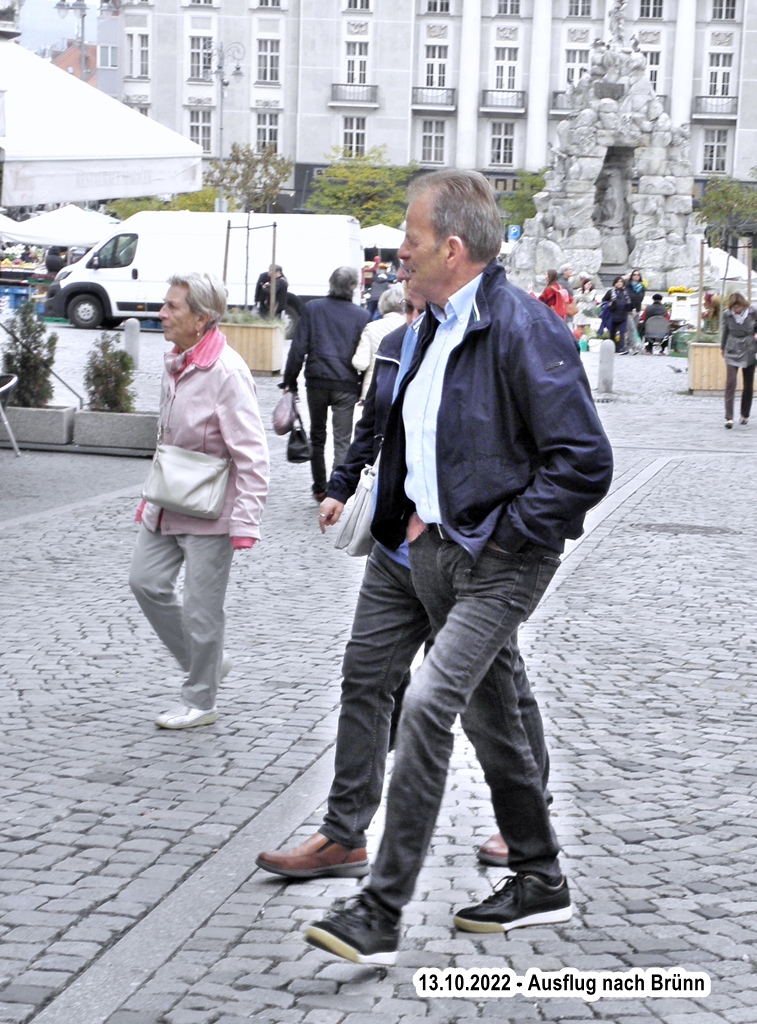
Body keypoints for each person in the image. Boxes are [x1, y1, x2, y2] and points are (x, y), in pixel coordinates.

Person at [304, 169, 613, 965]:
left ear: (450, 247)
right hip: (432, 553)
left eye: (408, 240)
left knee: (429, 704)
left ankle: (379, 910)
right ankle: (540, 877)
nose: (397, 254)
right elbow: (406, 433)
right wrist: (408, 515)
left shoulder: (522, 327)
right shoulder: (429, 328)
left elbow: (584, 461)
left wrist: (502, 537)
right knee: (492, 717)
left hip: (499, 559)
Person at [255, 288, 544, 882]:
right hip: (396, 550)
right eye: (407, 300)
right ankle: (344, 835)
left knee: (498, 687)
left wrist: (508, 536)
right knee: (366, 677)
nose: (414, 312)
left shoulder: (492, 342)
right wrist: (339, 486)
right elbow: (373, 429)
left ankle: (527, 821)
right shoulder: (394, 346)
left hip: (467, 554)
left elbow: (546, 449)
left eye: (421, 302)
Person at [129, 272, 269, 729]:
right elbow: (166, 439)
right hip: (168, 500)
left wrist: (245, 522)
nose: (162, 314)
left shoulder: (227, 372)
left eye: (173, 307)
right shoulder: (176, 361)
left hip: (212, 510)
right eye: (165, 304)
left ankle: (200, 701)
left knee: (201, 610)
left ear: (202, 319)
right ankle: (206, 661)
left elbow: (252, 455)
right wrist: (150, 498)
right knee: (145, 582)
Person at [281, 266, 370, 501]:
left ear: (331, 283)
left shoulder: (313, 309)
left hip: (317, 381)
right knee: (342, 440)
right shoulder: (362, 316)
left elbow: (298, 349)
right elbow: (365, 355)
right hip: (347, 383)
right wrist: (364, 388)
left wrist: (290, 381)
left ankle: (320, 487)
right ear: (353, 286)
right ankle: (336, 489)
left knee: (317, 435)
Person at [352, 283, 406, 400]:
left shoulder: (371, 328)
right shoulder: (410, 328)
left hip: (373, 391)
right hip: (403, 391)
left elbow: (360, 363)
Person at [720, 291, 757, 429]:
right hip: (732, 348)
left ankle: (745, 414)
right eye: (734, 307)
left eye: (739, 307)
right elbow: (725, 331)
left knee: (748, 384)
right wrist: (722, 347)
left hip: (749, 348)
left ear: (743, 304)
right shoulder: (727, 314)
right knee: (730, 383)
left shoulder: (753, 312)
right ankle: (729, 417)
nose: (737, 310)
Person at [602, 276, 632, 353]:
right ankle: (612, 349)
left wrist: (630, 307)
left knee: (622, 332)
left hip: (623, 315)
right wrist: (608, 304)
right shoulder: (610, 292)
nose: (619, 283)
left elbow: (629, 302)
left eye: (621, 282)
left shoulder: (626, 292)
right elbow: (603, 301)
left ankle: (622, 348)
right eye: (617, 282)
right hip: (613, 315)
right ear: (614, 283)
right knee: (612, 333)